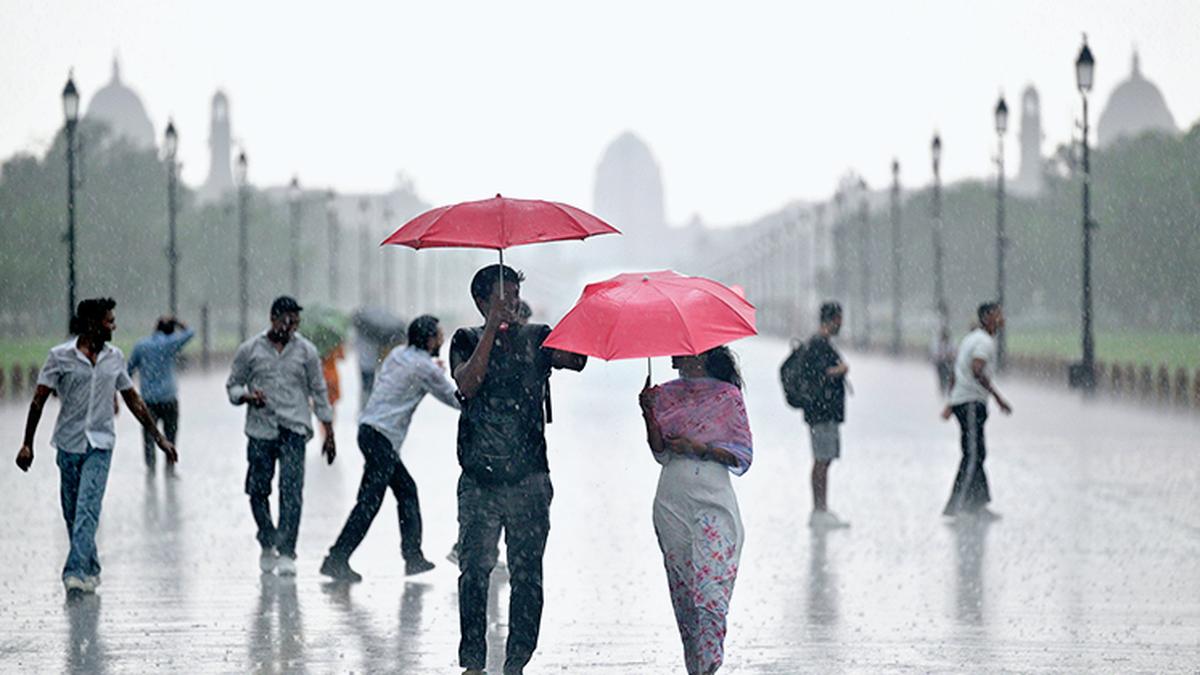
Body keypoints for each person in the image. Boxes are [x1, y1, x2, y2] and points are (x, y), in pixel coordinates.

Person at [451, 265, 587, 675]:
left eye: (514, 295)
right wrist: (491, 330)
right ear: (481, 301)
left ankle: (517, 661)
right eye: (501, 297)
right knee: (474, 572)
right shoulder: (465, 339)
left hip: (529, 479)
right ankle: (473, 662)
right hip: (479, 479)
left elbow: (575, 359)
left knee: (527, 576)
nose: (511, 303)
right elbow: (467, 384)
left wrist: (582, 319)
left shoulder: (536, 337)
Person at [15, 298, 178, 594]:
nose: (114, 326)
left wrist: (159, 438)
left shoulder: (115, 358)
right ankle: (90, 566)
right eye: (109, 321)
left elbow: (133, 400)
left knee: (88, 507)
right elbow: (38, 400)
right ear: (92, 324)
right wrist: (27, 444)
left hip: (101, 444)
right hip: (68, 443)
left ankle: (74, 572)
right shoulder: (59, 357)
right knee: (72, 513)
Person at [321, 314, 460, 582]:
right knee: (370, 503)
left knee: (405, 491)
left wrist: (433, 370)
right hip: (382, 437)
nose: (442, 340)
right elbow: (456, 400)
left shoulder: (398, 355)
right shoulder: (426, 369)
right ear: (429, 339)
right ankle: (337, 558)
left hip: (368, 430)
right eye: (439, 336)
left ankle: (412, 557)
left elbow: (409, 373)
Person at [639, 346, 753, 675]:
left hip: (714, 502)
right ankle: (697, 666)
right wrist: (648, 413)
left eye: (680, 348)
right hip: (672, 503)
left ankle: (709, 662)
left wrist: (700, 448)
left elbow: (741, 454)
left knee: (711, 588)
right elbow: (660, 453)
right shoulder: (665, 395)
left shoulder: (727, 397)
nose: (672, 353)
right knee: (685, 595)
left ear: (699, 354)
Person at [226, 296, 337, 576]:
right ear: (273, 319)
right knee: (257, 490)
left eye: (295, 323)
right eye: (286, 321)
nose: (290, 328)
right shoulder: (250, 350)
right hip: (260, 430)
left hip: (294, 429)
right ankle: (267, 537)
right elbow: (233, 386)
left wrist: (329, 432)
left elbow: (319, 391)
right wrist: (247, 397)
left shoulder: (307, 352)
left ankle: (287, 550)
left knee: (291, 491)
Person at [941, 302, 1012, 519]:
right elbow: (976, 370)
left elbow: (956, 370)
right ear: (988, 317)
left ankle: (977, 504)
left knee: (978, 453)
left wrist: (951, 402)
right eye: (999, 315)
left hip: (964, 401)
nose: (1002, 319)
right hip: (971, 402)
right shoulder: (983, 342)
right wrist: (998, 398)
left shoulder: (971, 338)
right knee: (972, 455)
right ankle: (957, 505)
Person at [800, 302, 851, 529]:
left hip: (824, 412)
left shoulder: (822, 343)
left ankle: (822, 509)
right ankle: (818, 510)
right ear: (832, 319)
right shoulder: (818, 344)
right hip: (820, 413)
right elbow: (817, 375)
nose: (841, 324)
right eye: (839, 319)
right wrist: (840, 370)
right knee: (821, 460)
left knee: (825, 459)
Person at [127, 315, 195, 475]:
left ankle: (150, 471)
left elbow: (128, 370)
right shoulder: (171, 343)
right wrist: (178, 321)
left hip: (148, 400)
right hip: (169, 397)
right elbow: (191, 332)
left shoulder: (141, 346)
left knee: (149, 436)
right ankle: (170, 469)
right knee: (171, 435)